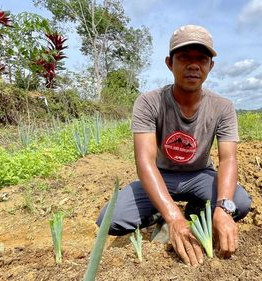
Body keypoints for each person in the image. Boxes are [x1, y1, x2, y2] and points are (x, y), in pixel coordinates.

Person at [96, 24, 252, 266]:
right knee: (111, 219)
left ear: (211, 65)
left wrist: (223, 208)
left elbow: (229, 159)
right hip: (161, 175)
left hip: (200, 175)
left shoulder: (222, 107)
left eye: (201, 58)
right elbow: (144, 162)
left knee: (238, 204)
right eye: (184, 57)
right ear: (170, 63)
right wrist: (172, 217)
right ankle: (160, 211)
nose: (193, 65)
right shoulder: (149, 102)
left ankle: (194, 211)